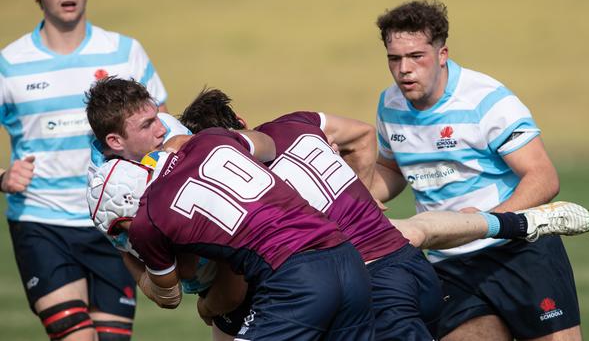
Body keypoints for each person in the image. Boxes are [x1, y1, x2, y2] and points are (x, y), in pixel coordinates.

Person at [178, 88, 589, 341]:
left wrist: (202, 304)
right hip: (407, 267)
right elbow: (361, 133)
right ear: (243, 123)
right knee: (414, 231)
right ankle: (521, 222)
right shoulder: (298, 123)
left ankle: (522, 222)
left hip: (373, 281)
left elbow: (231, 294)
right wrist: (360, 194)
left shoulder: (235, 194)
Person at [371, 0, 582, 341]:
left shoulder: (487, 100)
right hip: (449, 263)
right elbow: (391, 167)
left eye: (416, 57)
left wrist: (488, 222)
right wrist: (358, 199)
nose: (404, 70)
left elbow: (543, 177)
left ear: (442, 54)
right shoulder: (389, 104)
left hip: (518, 251)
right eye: (394, 59)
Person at [0, 0, 167, 340]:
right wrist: (2, 177)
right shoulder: (9, 63)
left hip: (114, 223)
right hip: (41, 220)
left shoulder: (124, 51)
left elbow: (161, 126)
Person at [87, 132, 376, 341]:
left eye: (120, 232)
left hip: (294, 277)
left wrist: (124, 255)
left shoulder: (147, 222)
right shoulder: (206, 140)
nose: (128, 239)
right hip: (348, 258)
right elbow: (268, 145)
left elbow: (168, 295)